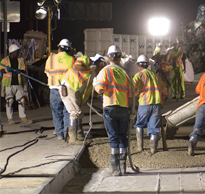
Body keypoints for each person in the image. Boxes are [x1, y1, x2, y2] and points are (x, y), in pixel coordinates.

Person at [94, 45, 133, 176]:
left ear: (109, 57)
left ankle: (114, 167)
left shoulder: (105, 71)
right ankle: (123, 167)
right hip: (123, 108)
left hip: (110, 107)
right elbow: (131, 93)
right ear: (120, 57)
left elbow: (100, 89)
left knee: (113, 136)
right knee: (123, 136)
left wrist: (95, 84)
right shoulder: (126, 72)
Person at [60, 55, 106, 144]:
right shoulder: (86, 59)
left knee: (79, 112)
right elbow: (76, 66)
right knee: (75, 112)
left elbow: (90, 88)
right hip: (69, 87)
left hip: (76, 91)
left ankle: (79, 134)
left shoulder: (94, 74)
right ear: (102, 63)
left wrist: (99, 95)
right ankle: (73, 139)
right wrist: (89, 67)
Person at [132, 55, 167, 154]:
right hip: (156, 104)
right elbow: (164, 90)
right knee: (154, 128)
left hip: (144, 103)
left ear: (139, 65)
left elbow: (134, 90)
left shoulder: (138, 75)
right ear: (148, 65)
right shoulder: (156, 76)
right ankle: (153, 149)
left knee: (139, 124)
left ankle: (140, 148)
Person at [44, 39, 75, 140]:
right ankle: (67, 133)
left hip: (54, 89)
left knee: (56, 112)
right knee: (67, 111)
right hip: (67, 90)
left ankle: (59, 134)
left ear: (59, 48)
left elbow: (47, 73)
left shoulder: (51, 58)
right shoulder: (72, 59)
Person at [0, 44, 31, 124]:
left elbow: (24, 70)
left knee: (22, 100)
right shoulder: (4, 60)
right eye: (17, 52)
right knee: (9, 101)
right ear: (12, 52)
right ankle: (10, 118)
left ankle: (23, 117)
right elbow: (1, 70)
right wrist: (7, 70)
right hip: (8, 84)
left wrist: (20, 71)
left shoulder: (20, 60)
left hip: (18, 83)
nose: (18, 53)